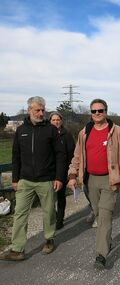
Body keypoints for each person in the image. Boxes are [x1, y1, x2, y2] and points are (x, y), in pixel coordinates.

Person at [67, 99, 120, 269]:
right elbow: (77, 155)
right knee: (98, 213)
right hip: (90, 180)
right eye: (94, 111)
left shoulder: (118, 132)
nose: (97, 113)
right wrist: (73, 174)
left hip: (110, 180)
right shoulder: (84, 132)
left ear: (106, 111)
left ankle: (101, 255)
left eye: (100, 110)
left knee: (104, 216)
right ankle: (107, 241)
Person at [0, 96, 66, 261]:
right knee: (20, 213)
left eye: (43, 110)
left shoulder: (51, 129)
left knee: (49, 212)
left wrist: (58, 177)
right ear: (29, 110)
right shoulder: (21, 130)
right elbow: (16, 156)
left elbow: (60, 155)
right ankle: (17, 249)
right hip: (25, 180)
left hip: (47, 180)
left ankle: (49, 239)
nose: (41, 113)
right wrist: (15, 179)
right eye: (37, 110)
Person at [49, 112, 76, 230]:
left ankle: (60, 219)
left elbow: (71, 153)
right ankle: (53, 216)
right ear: (50, 121)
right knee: (48, 196)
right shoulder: (46, 133)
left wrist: (71, 172)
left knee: (60, 196)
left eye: (58, 119)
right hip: (49, 170)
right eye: (53, 120)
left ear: (61, 121)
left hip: (63, 169)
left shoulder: (67, 135)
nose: (56, 122)